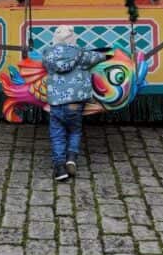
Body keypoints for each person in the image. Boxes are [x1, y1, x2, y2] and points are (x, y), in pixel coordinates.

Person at [41, 25, 111, 182]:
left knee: (57, 135)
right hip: (75, 104)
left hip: (56, 104)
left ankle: (59, 168)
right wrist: (108, 55)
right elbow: (98, 57)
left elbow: (43, 64)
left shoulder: (47, 55)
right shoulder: (81, 55)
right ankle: (71, 159)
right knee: (74, 131)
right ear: (73, 40)